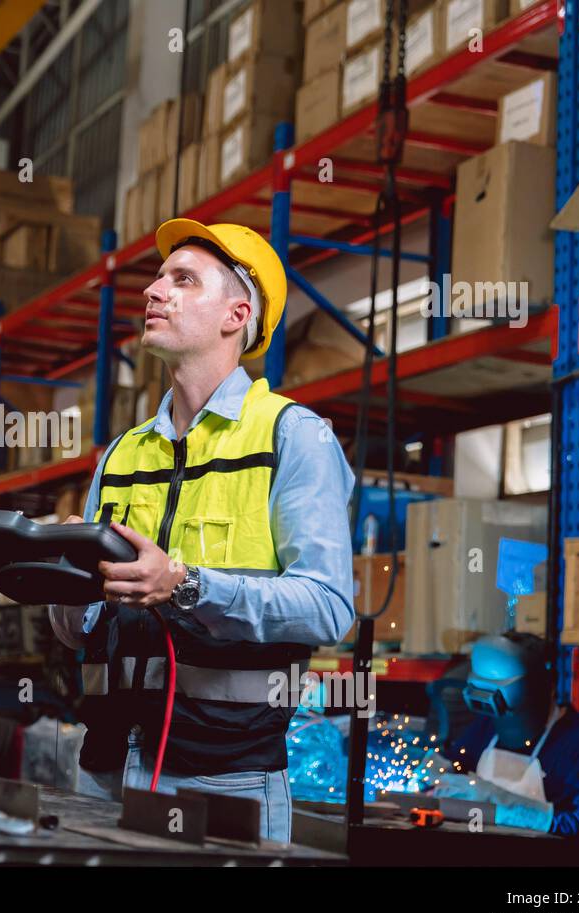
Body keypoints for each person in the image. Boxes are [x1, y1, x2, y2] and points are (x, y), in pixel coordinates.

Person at [47, 219, 355, 842]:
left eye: (183, 280)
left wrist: (185, 585)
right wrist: (58, 572)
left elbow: (328, 607)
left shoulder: (292, 435)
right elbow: (78, 632)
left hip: (223, 775)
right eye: (159, 278)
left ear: (236, 314)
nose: (154, 291)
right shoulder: (123, 453)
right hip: (104, 764)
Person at [443, 632, 579, 863]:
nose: (505, 723)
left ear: (545, 687)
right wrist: (436, 771)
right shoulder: (487, 726)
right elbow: (456, 768)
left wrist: (513, 810)